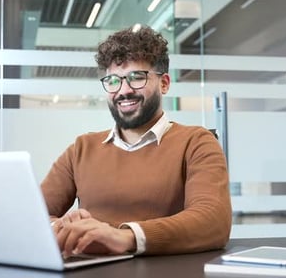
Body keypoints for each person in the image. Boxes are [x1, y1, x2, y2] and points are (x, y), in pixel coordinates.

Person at [40, 25, 232, 257]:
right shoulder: (82, 148)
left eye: (136, 78)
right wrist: (60, 227)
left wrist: (125, 236)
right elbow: (33, 214)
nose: (123, 91)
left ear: (164, 84)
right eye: (113, 80)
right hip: (92, 272)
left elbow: (213, 221)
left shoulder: (196, 142)